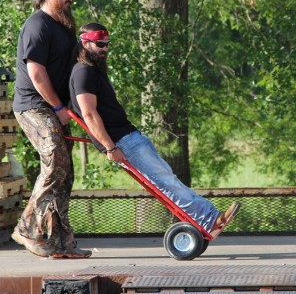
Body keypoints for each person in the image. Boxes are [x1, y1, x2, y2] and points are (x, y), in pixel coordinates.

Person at [69, 22, 240, 237]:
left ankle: (208, 219)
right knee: (164, 181)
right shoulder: (83, 72)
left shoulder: (93, 71)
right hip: (122, 141)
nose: (104, 49)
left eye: (107, 45)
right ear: (85, 43)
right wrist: (110, 147)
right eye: (99, 44)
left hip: (129, 137)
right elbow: (89, 114)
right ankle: (209, 218)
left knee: (166, 178)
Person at [11, 0, 91, 259]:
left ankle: (60, 243)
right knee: (56, 156)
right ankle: (27, 228)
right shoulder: (37, 25)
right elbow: (36, 73)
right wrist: (58, 107)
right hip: (34, 106)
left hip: (58, 106)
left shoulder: (63, 27)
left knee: (64, 174)